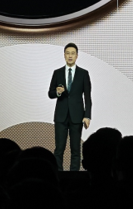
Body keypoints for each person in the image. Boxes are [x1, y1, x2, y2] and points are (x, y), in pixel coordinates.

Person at [48, 43, 93, 172]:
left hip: (77, 116)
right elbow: (50, 93)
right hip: (61, 116)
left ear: (77, 56)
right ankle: (58, 176)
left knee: (76, 149)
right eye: (67, 53)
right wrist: (57, 92)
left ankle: (75, 177)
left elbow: (87, 97)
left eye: (73, 53)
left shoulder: (83, 73)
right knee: (59, 149)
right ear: (64, 55)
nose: (70, 56)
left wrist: (87, 116)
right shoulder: (57, 73)